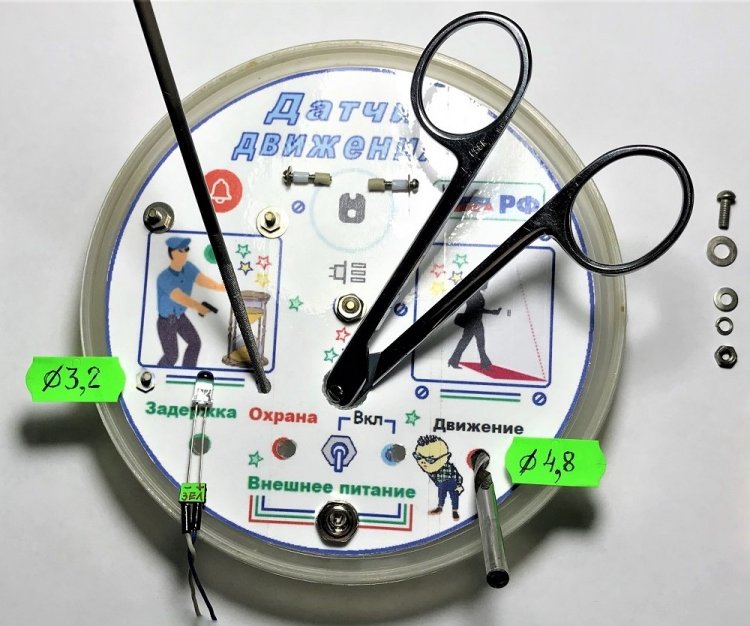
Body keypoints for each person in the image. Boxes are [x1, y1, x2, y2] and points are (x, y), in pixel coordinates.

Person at [155, 237, 225, 367]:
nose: (185, 253)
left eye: (186, 249)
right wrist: (198, 307)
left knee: (195, 343)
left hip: (180, 317)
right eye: (181, 250)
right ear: (172, 253)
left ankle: (188, 371)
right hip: (166, 322)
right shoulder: (164, 278)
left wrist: (221, 287)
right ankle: (158, 374)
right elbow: (179, 297)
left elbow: (202, 280)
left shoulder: (188, 267)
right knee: (172, 356)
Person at [448, 283, 501, 370]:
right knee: (466, 343)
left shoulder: (477, 294)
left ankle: (484, 364)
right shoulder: (474, 294)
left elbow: (479, 309)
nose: (487, 285)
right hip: (472, 323)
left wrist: (493, 312)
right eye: (485, 283)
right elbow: (477, 309)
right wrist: (493, 312)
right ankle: (453, 361)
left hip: (477, 323)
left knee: (478, 344)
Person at [413, 434, 464, 520]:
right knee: (441, 496)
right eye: (418, 457)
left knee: (454, 496)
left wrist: (459, 484)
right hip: (441, 483)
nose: (422, 462)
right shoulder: (431, 471)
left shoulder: (449, 467)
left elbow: (457, 475)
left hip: (452, 482)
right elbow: (434, 478)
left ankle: (455, 511)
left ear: (446, 457)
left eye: (430, 459)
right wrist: (438, 483)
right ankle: (440, 507)